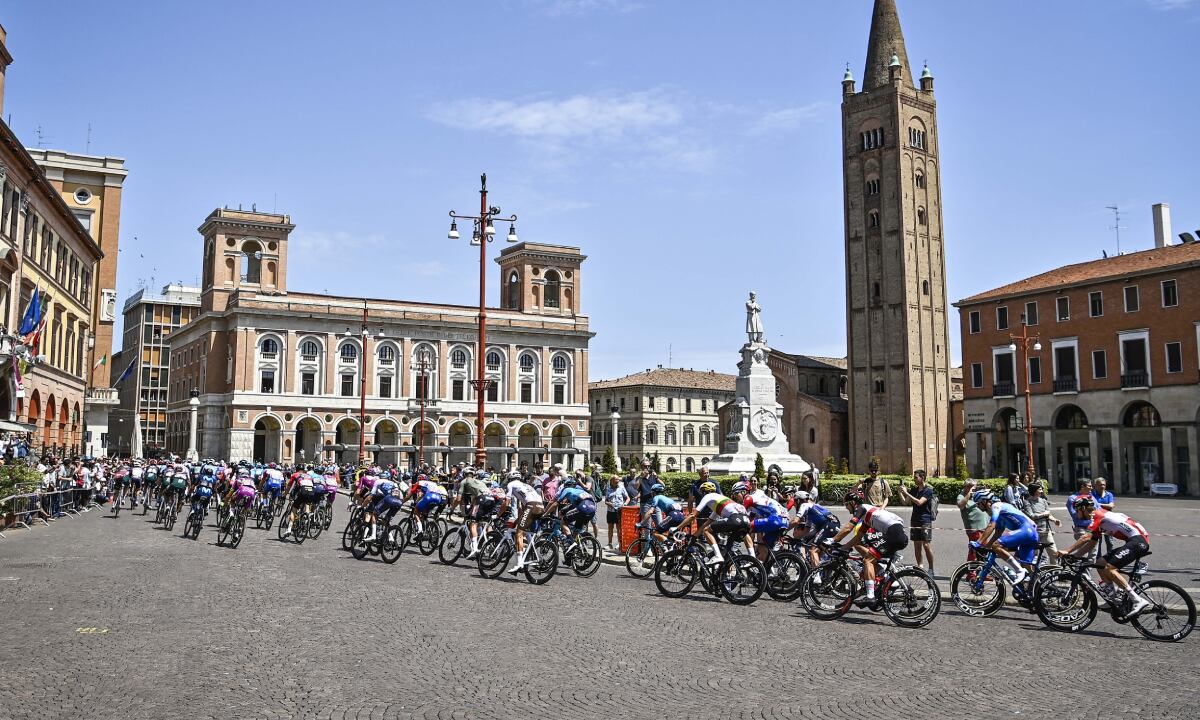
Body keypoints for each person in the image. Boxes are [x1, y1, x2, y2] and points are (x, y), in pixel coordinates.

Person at [1059, 495, 1152, 618]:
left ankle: (1137, 600)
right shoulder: (1100, 517)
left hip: (1138, 541)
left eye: (1077, 510)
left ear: (1083, 508)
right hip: (1134, 541)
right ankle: (1113, 600)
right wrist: (1075, 556)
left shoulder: (1097, 515)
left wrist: (1067, 551)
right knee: (1100, 563)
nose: (1076, 513)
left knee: (1110, 568)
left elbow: (1086, 537)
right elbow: (1092, 542)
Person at [830, 490, 907, 607]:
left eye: (846, 505)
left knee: (867, 560)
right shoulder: (868, 517)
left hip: (893, 534)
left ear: (853, 503)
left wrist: (831, 541)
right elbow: (858, 537)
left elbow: (848, 528)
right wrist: (844, 548)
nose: (846, 508)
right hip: (896, 534)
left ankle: (870, 596)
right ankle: (884, 582)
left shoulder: (861, 508)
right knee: (865, 546)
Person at [677, 481, 751, 566]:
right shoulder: (720, 503)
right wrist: (694, 537)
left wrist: (678, 528)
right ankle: (730, 572)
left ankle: (717, 556)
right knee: (728, 552)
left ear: (703, 492)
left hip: (735, 519)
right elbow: (707, 523)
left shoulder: (708, 496)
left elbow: (694, 515)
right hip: (745, 521)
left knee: (707, 531)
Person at [973, 489, 1038, 585]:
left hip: (1027, 531)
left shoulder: (996, 506)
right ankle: (1034, 591)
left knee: (997, 545)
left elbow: (991, 525)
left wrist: (978, 542)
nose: (977, 506)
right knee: (1027, 569)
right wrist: (987, 547)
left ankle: (1019, 571)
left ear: (985, 501)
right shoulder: (1000, 514)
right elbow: (998, 532)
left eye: (978, 504)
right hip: (1030, 534)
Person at [898, 469, 935, 576]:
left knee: (926, 545)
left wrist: (906, 493)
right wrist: (900, 493)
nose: (914, 479)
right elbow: (905, 503)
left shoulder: (928, 490)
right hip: (915, 520)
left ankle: (931, 568)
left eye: (916, 477)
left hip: (925, 520)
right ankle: (920, 566)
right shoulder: (914, 490)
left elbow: (919, 502)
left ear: (922, 478)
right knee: (917, 545)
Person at [1020, 481, 1061, 553]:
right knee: (1034, 554)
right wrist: (1044, 513)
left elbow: (1048, 515)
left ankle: (1053, 565)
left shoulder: (1043, 501)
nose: (1042, 491)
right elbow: (1032, 516)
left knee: (1054, 552)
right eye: (1040, 489)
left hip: (1046, 531)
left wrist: (1055, 520)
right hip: (1034, 531)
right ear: (1034, 491)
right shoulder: (1027, 502)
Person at [603, 475, 629, 551]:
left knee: (619, 528)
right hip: (610, 511)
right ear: (612, 481)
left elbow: (627, 498)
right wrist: (609, 503)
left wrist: (625, 504)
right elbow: (606, 501)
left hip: (619, 510)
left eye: (618, 479)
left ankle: (619, 543)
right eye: (616, 479)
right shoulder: (608, 489)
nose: (618, 481)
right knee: (610, 527)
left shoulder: (621, 488)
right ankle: (610, 544)